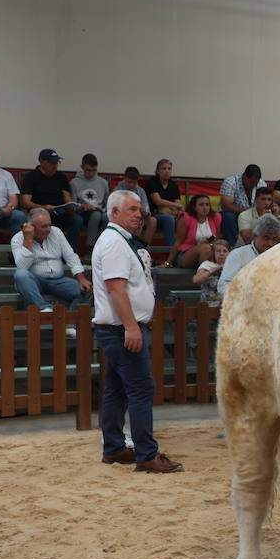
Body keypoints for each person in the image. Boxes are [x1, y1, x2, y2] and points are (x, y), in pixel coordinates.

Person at [92, 189, 182, 473]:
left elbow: (125, 288)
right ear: (114, 213)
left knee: (116, 390)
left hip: (118, 328)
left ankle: (115, 447)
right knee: (141, 389)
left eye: (139, 209)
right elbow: (116, 289)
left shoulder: (117, 240)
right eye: (132, 209)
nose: (139, 213)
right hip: (121, 330)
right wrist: (132, 326)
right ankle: (146, 454)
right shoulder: (115, 243)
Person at [11, 208, 92, 320]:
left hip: (58, 281)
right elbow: (22, 267)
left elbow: (71, 256)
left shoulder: (56, 232)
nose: (48, 229)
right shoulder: (17, 239)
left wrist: (81, 278)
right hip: (34, 282)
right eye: (43, 226)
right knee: (21, 275)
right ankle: (44, 308)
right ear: (31, 226)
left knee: (85, 290)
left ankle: (69, 325)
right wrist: (28, 239)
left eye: (49, 225)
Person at [21, 149, 81, 246]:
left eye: (57, 162)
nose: (55, 165)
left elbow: (67, 197)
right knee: (41, 220)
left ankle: (69, 250)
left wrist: (70, 206)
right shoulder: (31, 177)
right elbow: (26, 202)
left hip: (58, 212)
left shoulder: (61, 177)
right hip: (38, 213)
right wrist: (43, 208)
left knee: (77, 219)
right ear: (42, 162)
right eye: (52, 163)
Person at [220, 214, 280, 299]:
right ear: (255, 236)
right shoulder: (238, 255)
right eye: (266, 238)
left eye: (274, 239)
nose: (270, 243)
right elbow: (224, 286)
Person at [70, 153, 110, 252]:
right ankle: (90, 247)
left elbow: (107, 201)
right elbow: (73, 204)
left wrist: (104, 209)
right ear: (82, 167)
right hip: (82, 211)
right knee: (96, 215)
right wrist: (83, 206)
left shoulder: (103, 182)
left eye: (94, 170)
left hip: (99, 210)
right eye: (88, 170)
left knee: (107, 216)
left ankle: (104, 247)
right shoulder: (74, 182)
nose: (91, 173)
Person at [144, 158, 182, 262]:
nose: (167, 171)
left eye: (169, 169)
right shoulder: (152, 182)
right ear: (157, 171)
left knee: (183, 218)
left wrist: (178, 209)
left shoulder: (173, 185)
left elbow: (179, 204)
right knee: (169, 219)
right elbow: (158, 201)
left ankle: (181, 255)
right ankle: (170, 256)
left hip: (169, 214)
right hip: (154, 215)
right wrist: (175, 205)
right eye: (163, 168)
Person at [170, 193, 222, 268]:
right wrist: (168, 262)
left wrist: (211, 243)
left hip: (209, 252)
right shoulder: (185, 218)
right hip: (186, 254)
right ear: (194, 207)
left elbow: (218, 239)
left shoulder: (215, 217)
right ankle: (206, 276)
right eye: (201, 205)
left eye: (207, 205)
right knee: (205, 248)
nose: (205, 207)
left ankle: (209, 275)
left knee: (215, 250)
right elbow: (178, 241)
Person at [219, 164, 266, 244]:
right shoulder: (230, 182)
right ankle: (231, 245)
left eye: (256, 183)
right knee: (228, 217)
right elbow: (226, 206)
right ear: (244, 176)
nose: (253, 185)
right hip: (234, 213)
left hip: (253, 213)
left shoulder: (261, 184)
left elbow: (264, 202)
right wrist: (248, 212)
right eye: (251, 182)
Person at [116, 166, 158, 246]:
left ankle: (144, 247)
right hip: (124, 216)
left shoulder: (141, 191)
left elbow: (146, 208)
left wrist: (145, 212)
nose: (131, 185)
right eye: (129, 182)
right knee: (135, 220)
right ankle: (130, 245)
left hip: (139, 216)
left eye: (134, 183)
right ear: (124, 178)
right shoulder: (118, 190)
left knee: (152, 221)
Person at [192, 239, 231, 304]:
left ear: (229, 253)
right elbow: (196, 280)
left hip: (226, 304)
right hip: (209, 305)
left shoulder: (232, 266)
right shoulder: (207, 264)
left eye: (225, 251)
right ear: (213, 253)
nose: (221, 253)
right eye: (218, 251)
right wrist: (213, 270)